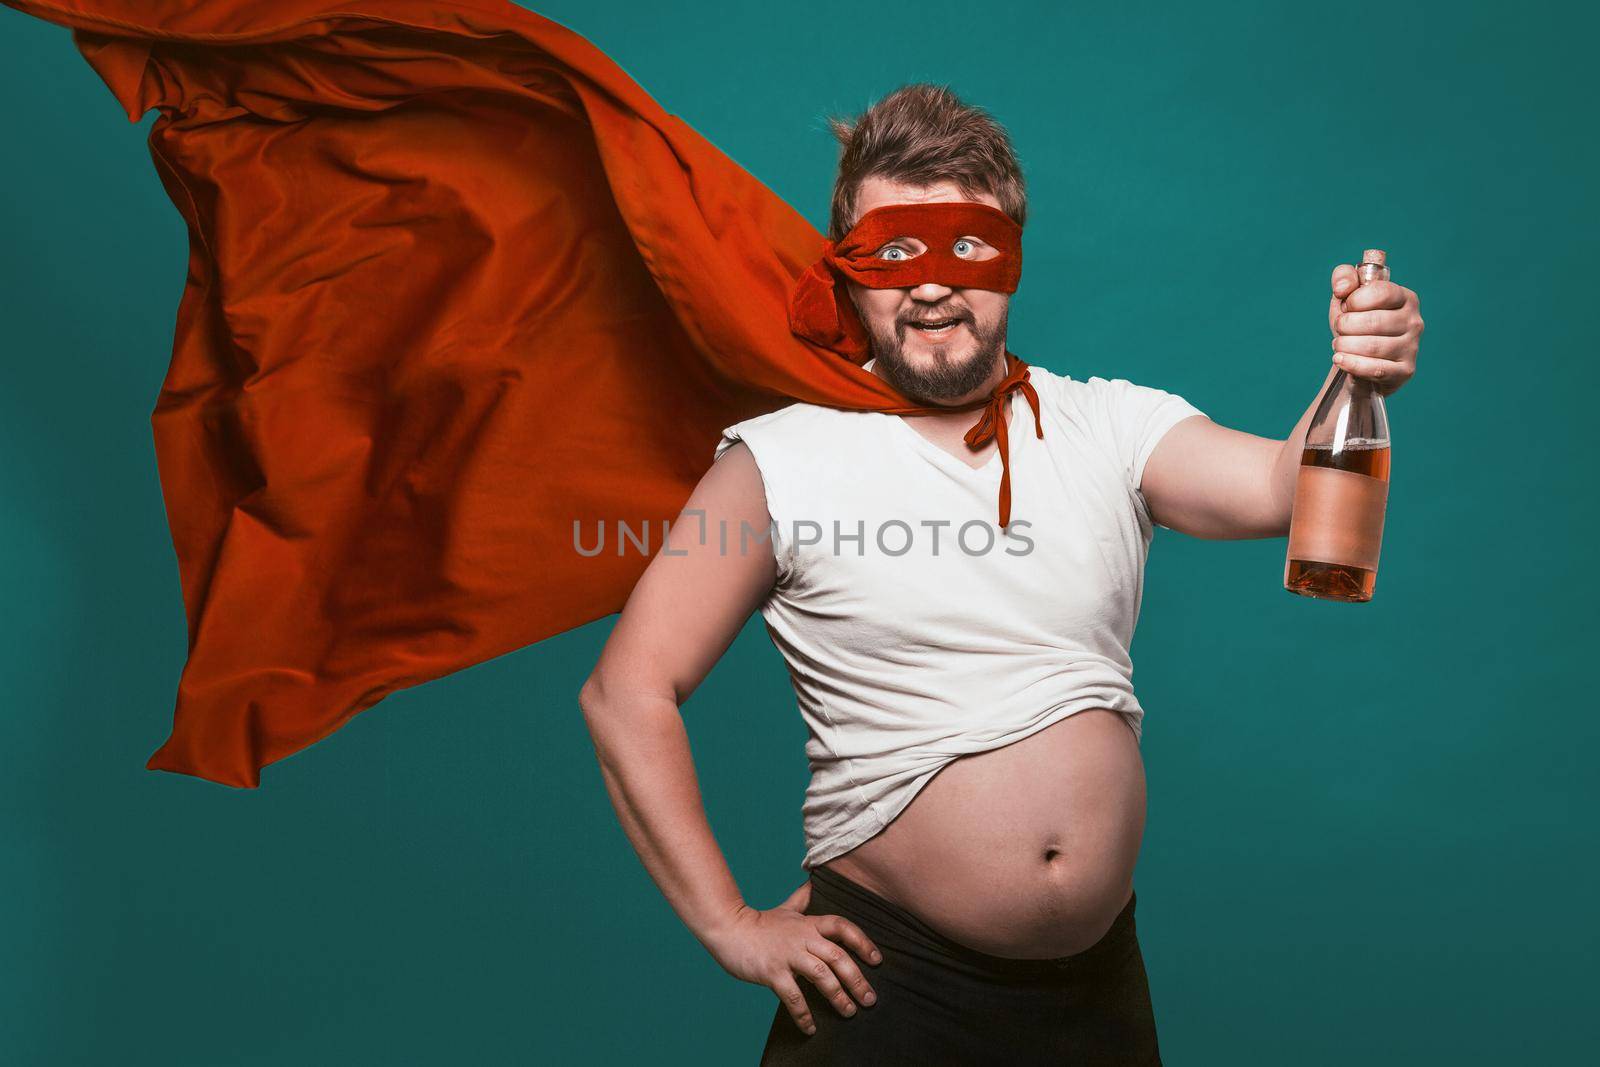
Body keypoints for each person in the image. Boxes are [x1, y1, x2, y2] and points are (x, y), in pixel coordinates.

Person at [578, 84, 1423, 1064]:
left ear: (1012, 259)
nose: (931, 285)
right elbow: (626, 690)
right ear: (846, 273)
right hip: (890, 990)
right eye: (894, 252)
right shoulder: (778, 463)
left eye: (965, 249)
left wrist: (1352, 369)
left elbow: (1285, 485)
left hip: (1096, 995)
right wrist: (728, 921)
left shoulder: (1108, 423)